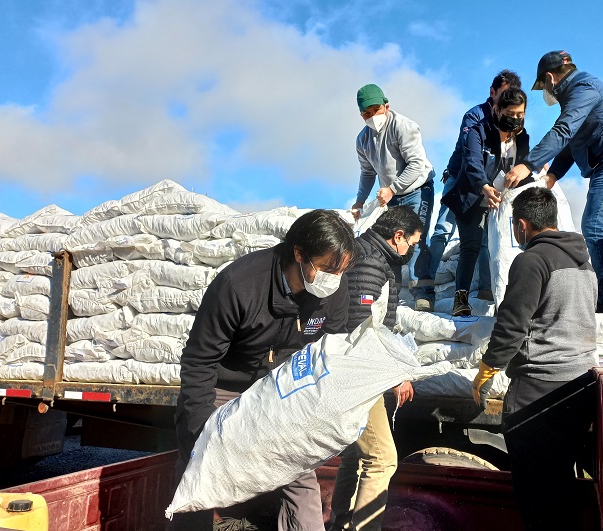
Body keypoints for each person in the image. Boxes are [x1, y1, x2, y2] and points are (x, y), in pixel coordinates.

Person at [172, 209, 357, 531]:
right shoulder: (239, 285)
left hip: (282, 389)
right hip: (225, 387)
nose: (334, 278)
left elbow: (330, 355)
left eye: (340, 270)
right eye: (327, 268)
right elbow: (199, 362)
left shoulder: (334, 292)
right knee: (198, 477)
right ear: (299, 253)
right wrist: (201, 432)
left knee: (300, 476)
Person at [471, 187, 598, 531]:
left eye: (514, 225)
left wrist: (488, 367)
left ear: (522, 225)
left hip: (539, 390)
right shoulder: (584, 262)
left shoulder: (531, 261)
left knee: (536, 491)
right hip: (581, 385)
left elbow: (512, 323)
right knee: (560, 483)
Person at [504, 50, 603, 314]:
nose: (546, 93)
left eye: (543, 87)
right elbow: (572, 142)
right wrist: (553, 174)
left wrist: (528, 164)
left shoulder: (584, 88)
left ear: (550, 78)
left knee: (595, 228)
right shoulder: (577, 95)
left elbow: (564, 131)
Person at [329, 206, 422, 531]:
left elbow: (380, 325)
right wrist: (394, 375)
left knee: (357, 456)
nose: (412, 250)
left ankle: (340, 523)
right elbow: (359, 328)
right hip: (358, 374)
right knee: (382, 458)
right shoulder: (369, 261)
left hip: (359, 371)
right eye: (412, 242)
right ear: (397, 236)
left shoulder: (376, 257)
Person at [424, 69, 522, 311]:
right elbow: (472, 159)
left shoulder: (514, 124)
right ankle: (426, 289)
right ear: (493, 93)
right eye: (503, 95)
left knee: (488, 239)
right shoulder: (475, 118)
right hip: (461, 182)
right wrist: (483, 185)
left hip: (489, 185)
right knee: (443, 232)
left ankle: (488, 290)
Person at [441, 87, 532, 317]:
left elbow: (524, 167)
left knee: (503, 246)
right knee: (471, 245)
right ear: (498, 109)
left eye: (520, 114)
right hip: (472, 196)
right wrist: (484, 187)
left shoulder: (521, 137)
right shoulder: (477, 132)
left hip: (502, 201)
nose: (515, 119)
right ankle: (461, 297)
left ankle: (501, 294)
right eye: (510, 113)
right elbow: (471, 163)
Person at [351, 84, 435, 310]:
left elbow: (416, 164)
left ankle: (423, 294)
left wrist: (393, 188)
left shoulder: (403, 126)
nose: (371, 116)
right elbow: (368, 173)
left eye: (375, 110)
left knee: (415, 240)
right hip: (392, 196)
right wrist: (359, 201)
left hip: (418, 190)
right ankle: (393, 294)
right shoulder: (363, 140)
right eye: (366, 113)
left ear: (386, 106)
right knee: (391, 243)